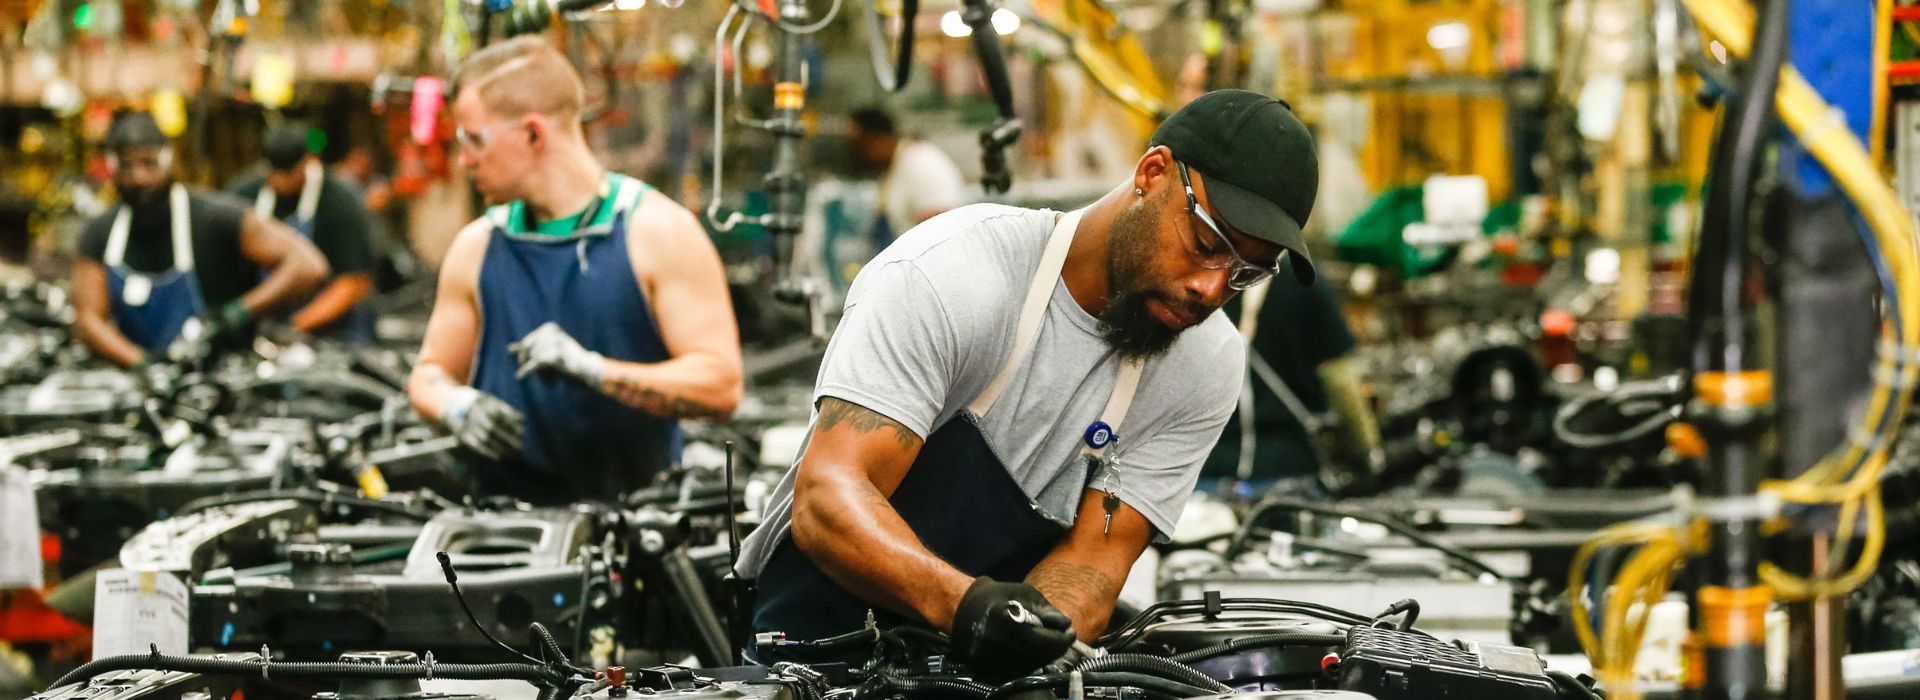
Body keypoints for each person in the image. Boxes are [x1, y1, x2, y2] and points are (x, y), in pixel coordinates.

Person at [736, 90, 1319, 679]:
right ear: (1153, 173)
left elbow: (1095, 559)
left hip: (979, 679)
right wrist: (964, 608)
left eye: (1245, 272)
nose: (1211, 289)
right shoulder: (953, 275)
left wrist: (1033, 643)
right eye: (1207, 244)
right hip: (812, 657)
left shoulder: (1206, 362)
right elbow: (830, 497)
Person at [406, 37, 743, 505]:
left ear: (533, 134)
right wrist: (457, 404)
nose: (464, 160)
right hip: (505, 524)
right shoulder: (478, 246)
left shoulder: (656, 233)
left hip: (639, 520)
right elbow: (428, 375)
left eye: (475, 140)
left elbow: (721, 385)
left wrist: (593, 370)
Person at [72, 112, 329, 368]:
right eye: (127, 166)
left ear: (170, 159)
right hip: (143, 380)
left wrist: (236, 313)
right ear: (112, 167)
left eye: (149, 163)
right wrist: (144, 364)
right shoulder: (100, 233)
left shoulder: (215, 218)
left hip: (223, 375)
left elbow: (308, 266)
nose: (139, 178)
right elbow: (88, 319)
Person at [1200, 274, 1381, 497]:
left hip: (1204, 473)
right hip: (1285, 473)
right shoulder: (1303, 279)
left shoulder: (1210, 279)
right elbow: (1340, 382)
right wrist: (1366, 452)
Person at [228, 125, 380, 342]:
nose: (283, 181)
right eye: (276, 173)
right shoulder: (244, 196)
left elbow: (355, 280)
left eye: (291, 172)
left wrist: (297, 327)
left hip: (335, 332)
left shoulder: (340, 201)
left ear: (308, 160)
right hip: (265, 322)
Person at [847, 107, 968, 239]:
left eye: (861, 146)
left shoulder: (921, 164)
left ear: (879, 139)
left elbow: (942, 232)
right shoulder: (895, 166)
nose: (856, 154)